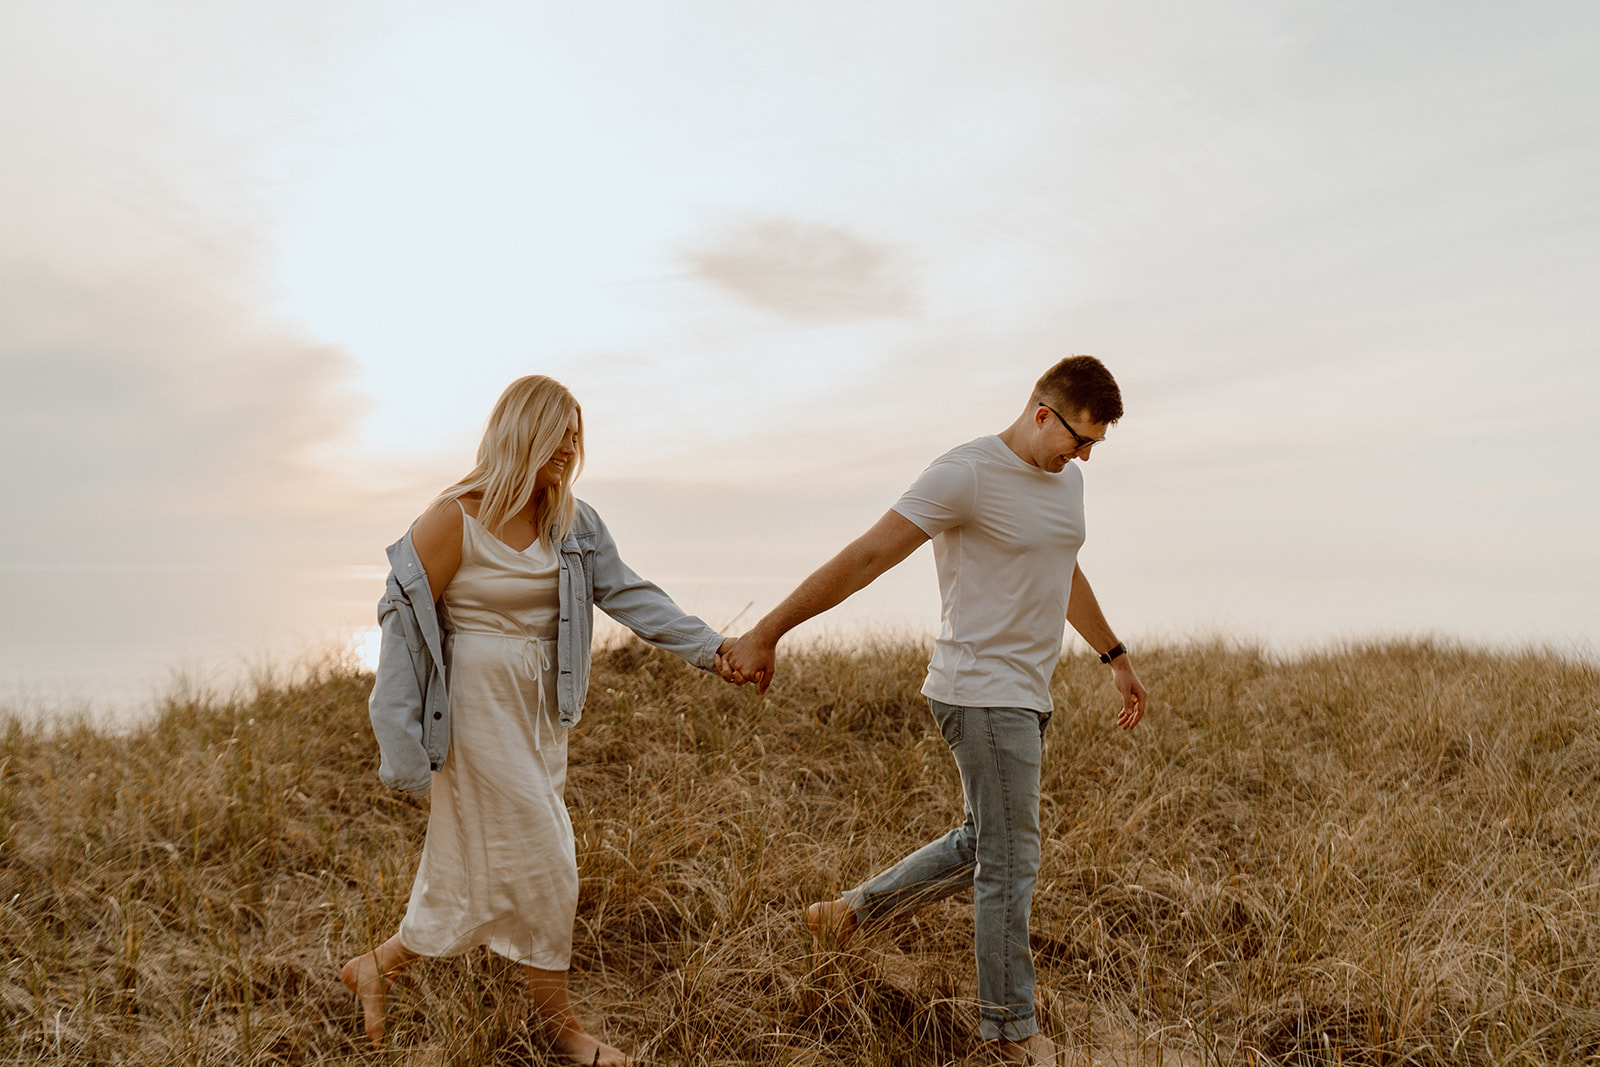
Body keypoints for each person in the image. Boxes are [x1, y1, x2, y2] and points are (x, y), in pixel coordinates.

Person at [719, 355, 1148, 1066]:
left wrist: (1115, 656)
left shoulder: (1064, 481)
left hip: (1025, 694)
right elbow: (865, 557)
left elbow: (1061, 566)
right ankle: (1011, 1032)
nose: (1086, 457)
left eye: (1096, 445)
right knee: (1012, 859)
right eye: (1080, 440)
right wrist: (768, 630)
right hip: (978, 690)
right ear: (1043, 414)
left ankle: (850, 913)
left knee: (988, 841)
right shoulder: (966, 474)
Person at [344, 375, 731, 1065]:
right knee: (550, 860)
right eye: (561, 429)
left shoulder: (572, 523)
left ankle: (380, 963)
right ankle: (563, 1032)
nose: (572, 446)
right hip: (473, 715)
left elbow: (632, 596)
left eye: (578, 435)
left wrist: (712, 649)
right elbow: (400, 627)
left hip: (540, 719)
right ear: (523, 428)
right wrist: (398, 741)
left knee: (473, 866)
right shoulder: (451, 518)